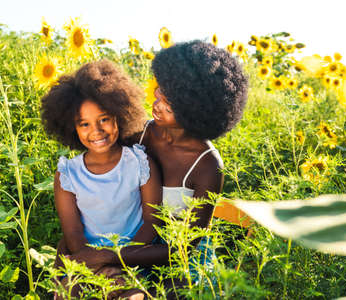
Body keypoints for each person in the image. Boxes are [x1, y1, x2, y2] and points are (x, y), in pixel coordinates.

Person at [67, 40, 248, 297]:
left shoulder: (207, 166)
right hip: (130, 239)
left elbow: (183, 249)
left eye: (169, 105)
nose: (156, 103)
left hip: (175, 259)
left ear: (195, 113)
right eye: (160, 90)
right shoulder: (139, 133)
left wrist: (110, 258)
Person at [40, 59, 162, 299]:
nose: (95, 130)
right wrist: (96, 268)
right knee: (68, 293)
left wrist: (119, 263)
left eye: (104, 119)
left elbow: (152, 223)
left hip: (134, 260)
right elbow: (73, 233)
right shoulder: (68, 173)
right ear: (71, 128)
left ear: (119, 115)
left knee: (132, 295)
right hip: (86, 262)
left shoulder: (139, 163)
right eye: (84, 124)